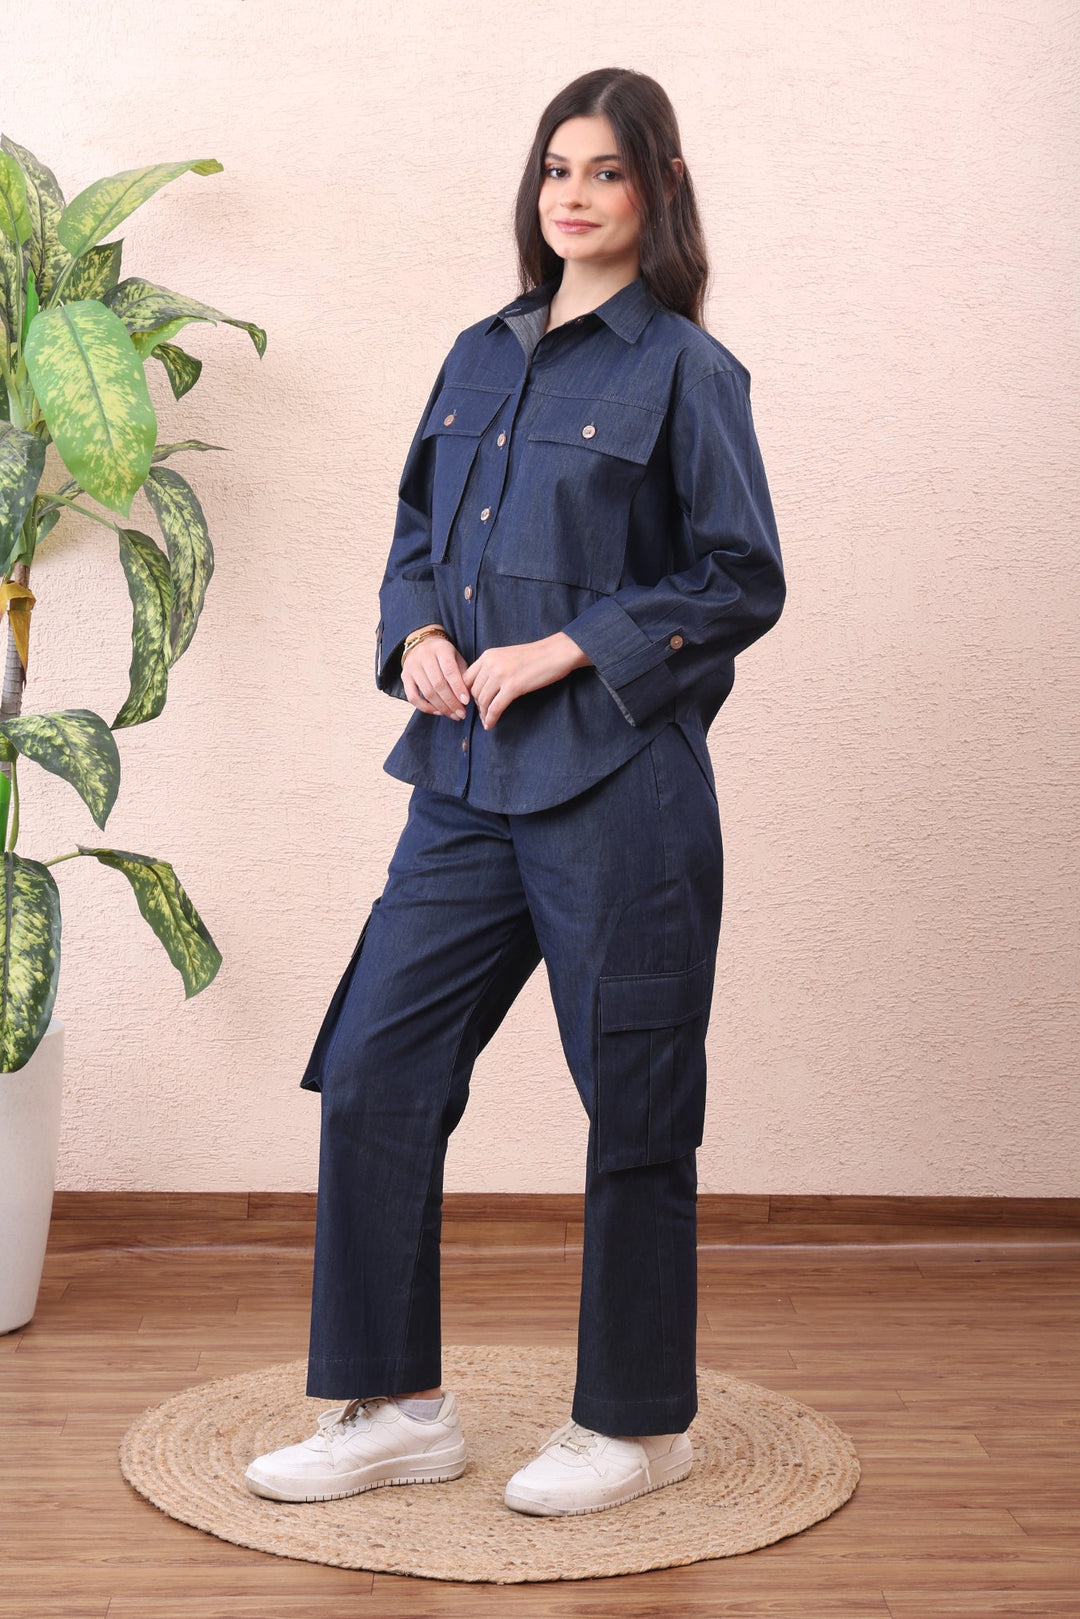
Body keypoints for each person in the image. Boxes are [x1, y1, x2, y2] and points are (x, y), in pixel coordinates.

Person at [246, 65, 785, 1518]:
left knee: (636, 1104)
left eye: (604, 172)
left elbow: (741, 578)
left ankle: (635, 1422)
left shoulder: (686, 370)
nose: (572, 195)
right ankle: (394, 1406)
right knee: (374, 1068)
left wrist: (566, 647)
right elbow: (419, 525)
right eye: (555, 168)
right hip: (463, 784)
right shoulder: (479, 353)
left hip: (619, 790)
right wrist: (417, 634)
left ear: (657, 190)